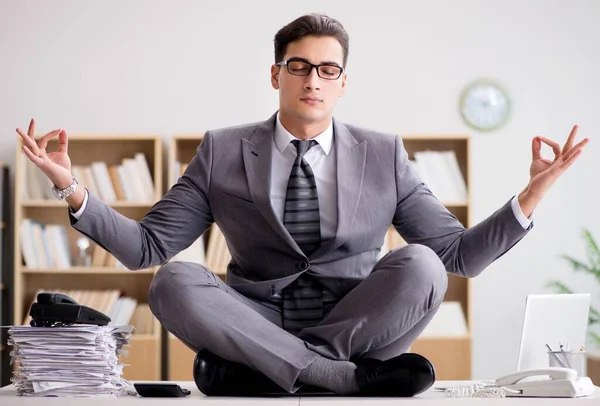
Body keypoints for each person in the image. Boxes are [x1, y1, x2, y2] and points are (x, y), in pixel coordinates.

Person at [17, 13, 588, 397]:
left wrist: (534, 191)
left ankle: (273, 371)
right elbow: (148, 248)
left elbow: (457, 255)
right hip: (258, 315)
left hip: (361, 322)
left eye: (327, 69)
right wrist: (71, 187)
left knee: (422, 265)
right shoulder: (222, 150)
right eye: (299, 66)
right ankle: (336, 379)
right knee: (174, 281)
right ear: (276, 74)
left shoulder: (384, 154)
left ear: (343, 82)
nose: (313, 79)